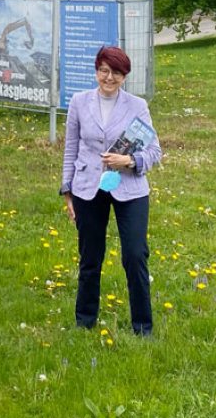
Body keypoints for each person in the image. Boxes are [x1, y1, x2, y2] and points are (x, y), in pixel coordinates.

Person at [60, 45, 162, 337]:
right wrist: (67, 191)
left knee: (135, 254)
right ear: (96, 71)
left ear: (124, 76)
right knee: (90, 257)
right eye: (104, 71)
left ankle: (143, 327)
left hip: (130, 189)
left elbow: (155, 151)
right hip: (87, 189)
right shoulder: (79, 102)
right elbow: (71, 149)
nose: (109, 77)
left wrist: (129, 161)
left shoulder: (137, 106)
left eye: (116, 72)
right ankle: (85, 322)